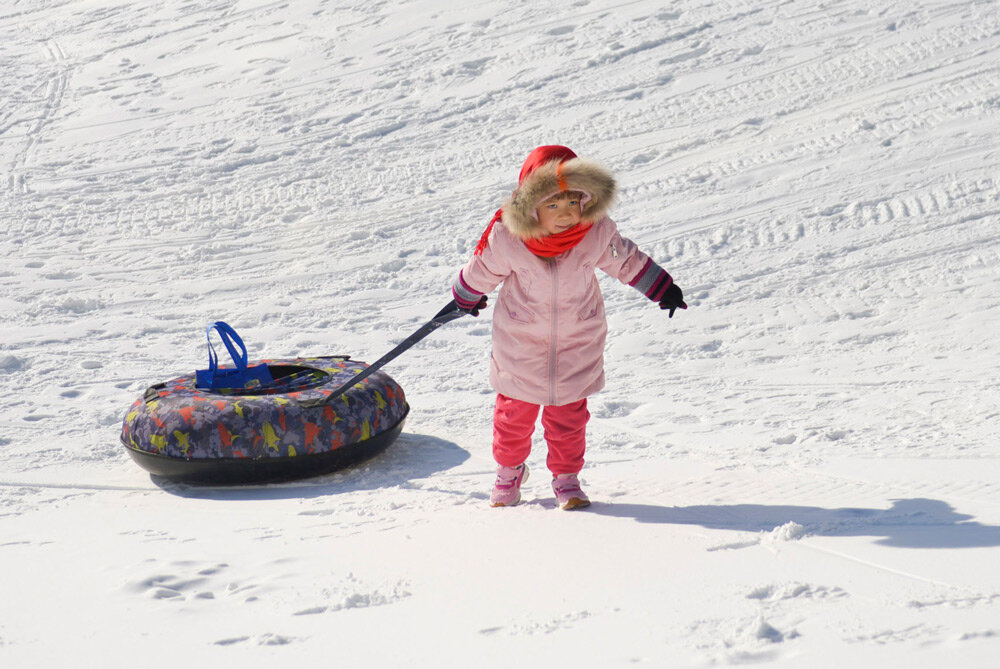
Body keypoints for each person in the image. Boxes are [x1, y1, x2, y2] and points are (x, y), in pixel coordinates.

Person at [451, 145, 686, 509]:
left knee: (569, 419)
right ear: (532, 208)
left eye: (572, 204)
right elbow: (481, 269)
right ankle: (508, 473)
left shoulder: (594, 234)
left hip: (578, 341)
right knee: (513, 418)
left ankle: (566, 480)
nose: (565, 215)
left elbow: (626, 261)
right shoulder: (509, 238)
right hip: (521, 344)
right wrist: (467, 296)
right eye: (553, 206)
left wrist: (661, 287)